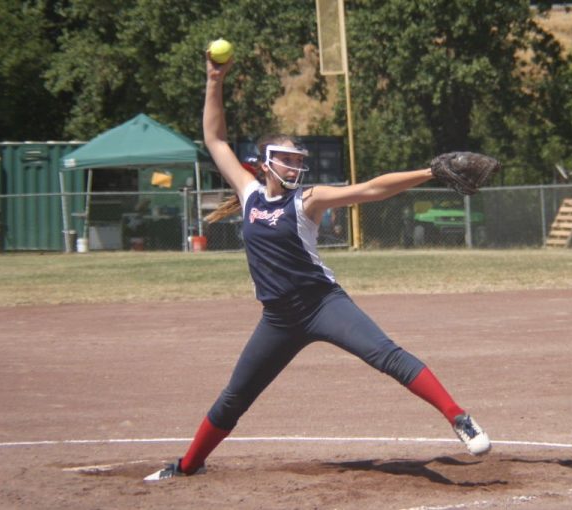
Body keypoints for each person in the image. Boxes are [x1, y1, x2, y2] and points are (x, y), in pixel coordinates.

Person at [144, 49, 490, 481]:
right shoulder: (251, 194)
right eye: (287, 158)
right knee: (235, 396)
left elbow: (369, 190)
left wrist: (428, 172)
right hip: (278, 319)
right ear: (265, 161)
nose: (296, 165)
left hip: (324, 304)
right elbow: (214, 139)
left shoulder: (307, 200)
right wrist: (214, 80)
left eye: (299, 159)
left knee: (388, 356)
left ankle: (459, 418)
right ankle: (188, 465)